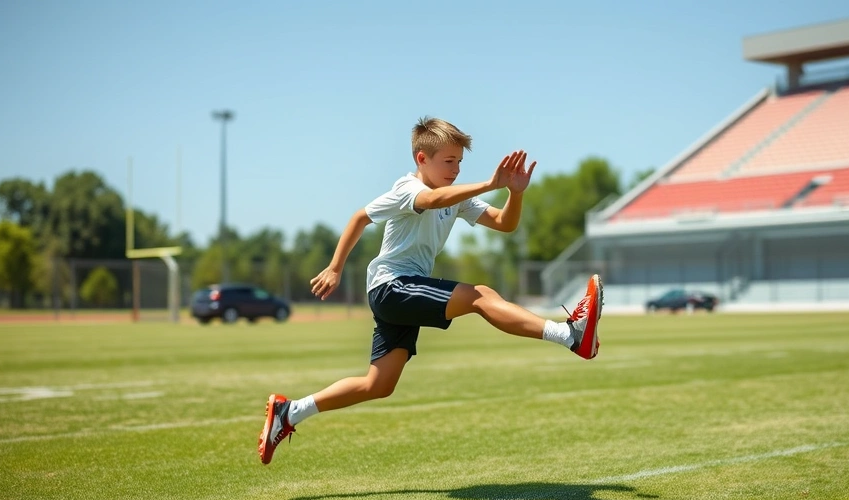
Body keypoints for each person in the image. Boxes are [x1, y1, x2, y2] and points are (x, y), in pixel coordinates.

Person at [258, 117, 603, 464]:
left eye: (459, 162)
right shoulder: (408, 190)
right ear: (422, 159)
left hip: (402, 291)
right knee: (480, 296)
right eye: (448, 161)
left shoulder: (453, 195)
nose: (455, 169)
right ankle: (569, 335)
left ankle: (289, 412)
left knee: (378, 385)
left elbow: (505, 223)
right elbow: (362, 217)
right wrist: (334, 267)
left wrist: (514, 192)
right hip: (392, 286)